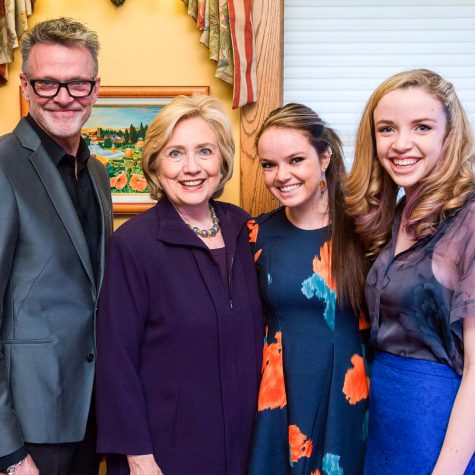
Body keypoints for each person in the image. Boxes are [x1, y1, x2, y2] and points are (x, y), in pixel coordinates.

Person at [95, 94, 263, 475]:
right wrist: (138, 457)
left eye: (204, 151)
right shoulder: (134, 244)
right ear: (155, 164)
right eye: (175, 154)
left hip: (246, 448)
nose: (191, 168)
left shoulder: (245, 229)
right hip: (166, 455)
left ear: (222, 160)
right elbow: (115, 360)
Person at [346, 69, 475, 474]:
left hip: (438, 426)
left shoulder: (469, 220)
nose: (401, 144)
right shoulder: (397, 211)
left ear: (448, 136)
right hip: (384, 419)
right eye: (387, 129)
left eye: (421, 127)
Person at [0, 17, 112, 475]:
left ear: (96, 88)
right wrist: (7, 450)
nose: (64, 97)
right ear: (25, 86)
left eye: (77, 84)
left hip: (89, 418)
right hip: (26, 429)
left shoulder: (99, 173)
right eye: (47, 83)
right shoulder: (3, 165)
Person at [247, 103, 370, 475]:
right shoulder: (254, 234)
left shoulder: (368, 230)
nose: (281, 175)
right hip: (279, 396)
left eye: (296, 159)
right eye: (269, 164)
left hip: (351, 393)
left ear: (325, 157)